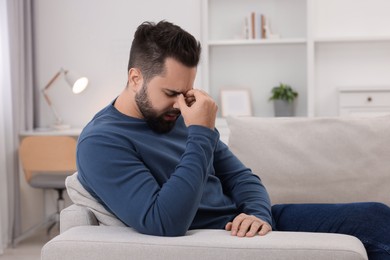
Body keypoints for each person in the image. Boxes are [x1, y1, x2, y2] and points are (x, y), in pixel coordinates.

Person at [76, 21, 390, 259]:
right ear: (135, 78)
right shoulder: (101, 143)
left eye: (186, 93)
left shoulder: (178, 114)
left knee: (375, 215)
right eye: (170, 93)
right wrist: (201, 131)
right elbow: (164, 221)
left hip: (253, 225)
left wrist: (257, 214)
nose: (180, 104)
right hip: (217, 238)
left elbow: (241, 176)